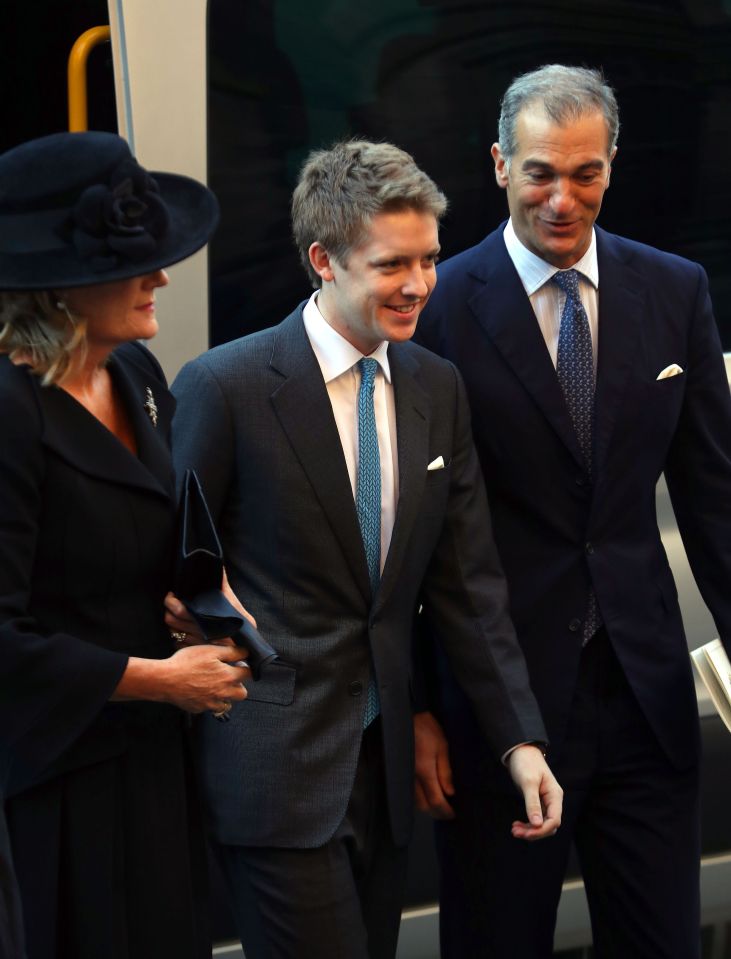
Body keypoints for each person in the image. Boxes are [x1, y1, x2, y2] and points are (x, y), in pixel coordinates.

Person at [170, 138, 563, 959]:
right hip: (273, 772)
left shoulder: (434, 385)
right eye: (391, 264)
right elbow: (170, 567)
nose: (419, 284)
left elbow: (468, 586)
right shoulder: (226, 387)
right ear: (323, 259)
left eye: (428, 258)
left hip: (380, 779)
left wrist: (518, 741)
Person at [413, 64, 731, 958]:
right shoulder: (434, 306)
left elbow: (714, 498)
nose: (562, 197)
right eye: (540, 172)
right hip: (497, 704)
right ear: (499, 165)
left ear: (612, 166)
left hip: (644, 694)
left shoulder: (674, 290)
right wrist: (414, 710)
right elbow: (407, 533)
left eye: (584, 172)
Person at [0, 131, 251, 959]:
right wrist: (156, 679)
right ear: (59, 289)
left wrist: (202, 603)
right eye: (137, 261)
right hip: (55, 783)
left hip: (150, 762)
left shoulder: (136, 372)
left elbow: (166, 529)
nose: (162, 277)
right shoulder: (9, 412)